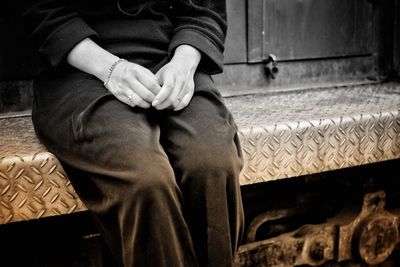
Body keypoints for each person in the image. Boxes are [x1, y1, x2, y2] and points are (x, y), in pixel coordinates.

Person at [18, 0, 244, 266]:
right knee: (145, 179)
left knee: (212, 163)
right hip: (80, 68)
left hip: (172, 57)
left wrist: (184, 64)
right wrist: (112, 69)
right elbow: (41, 11)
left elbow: (206, 8)